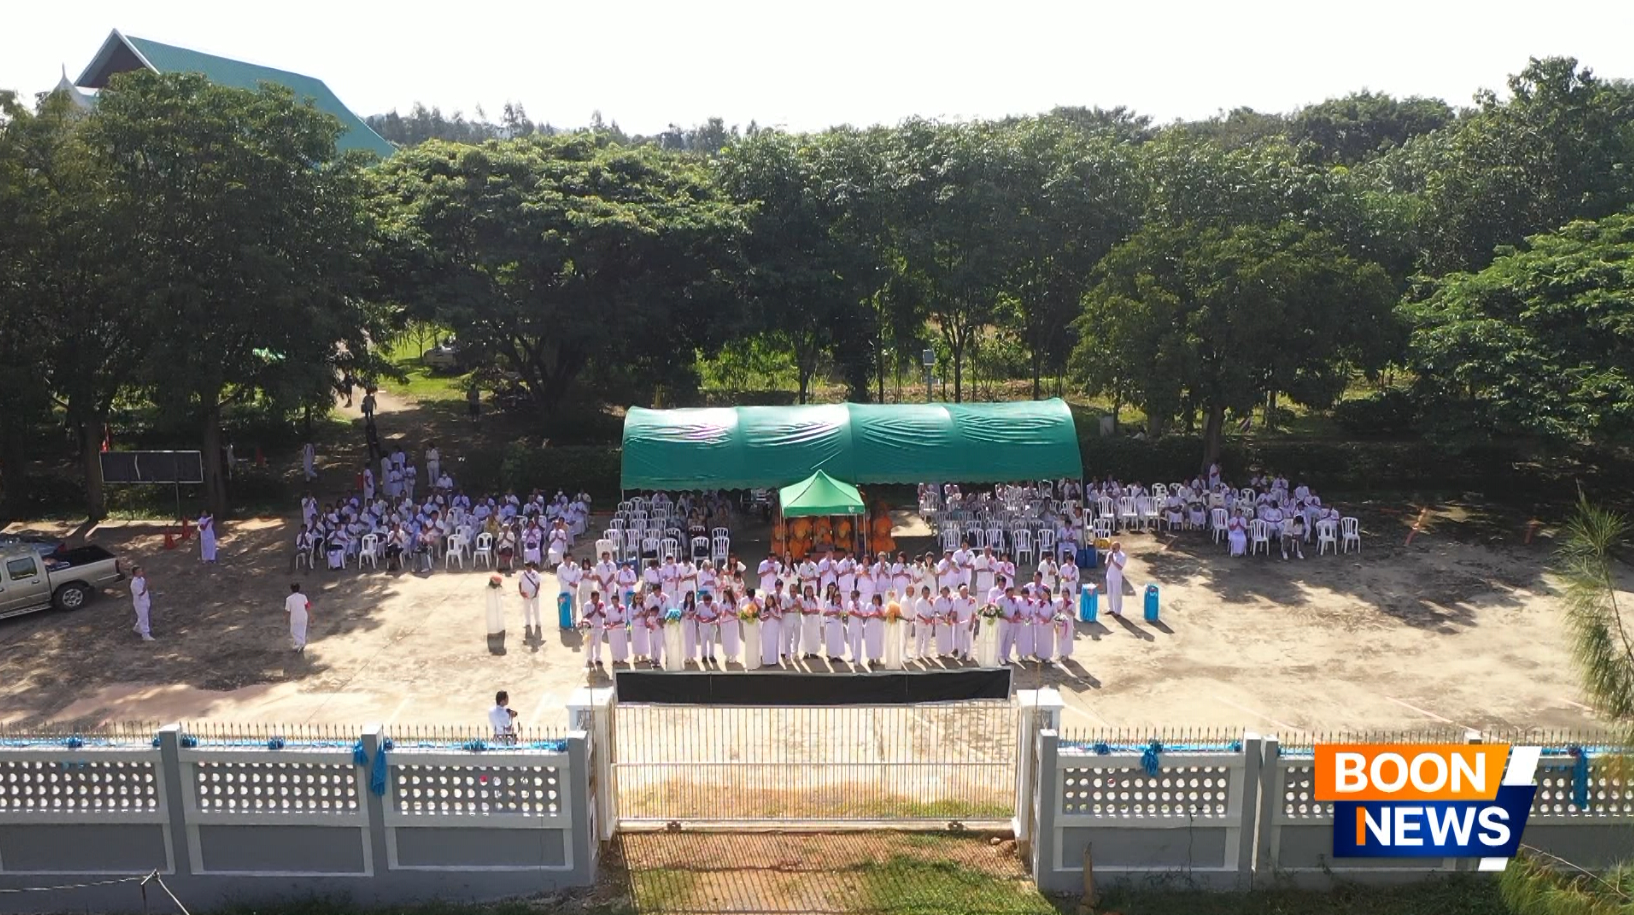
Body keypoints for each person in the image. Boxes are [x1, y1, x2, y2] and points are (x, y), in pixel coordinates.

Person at [760, 583, 783, 668]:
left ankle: (774, 660)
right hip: (766, 629)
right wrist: (766, 616)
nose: (769, 601)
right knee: (766, 644)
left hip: (774, 628)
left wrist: (773, 615)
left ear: (773, 600)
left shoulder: (777, 607)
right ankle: (767, 660)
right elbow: (762, 618)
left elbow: (780, 618)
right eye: (767, 600)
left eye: (770, 600)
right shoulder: (763, 608)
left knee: (774, 643)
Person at [129, 565, 155, 641]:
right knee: (144, 618)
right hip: (140, 603)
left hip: (145, 600)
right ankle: (145, 635)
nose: (141, 573)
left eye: (141, 571)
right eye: (139, 572)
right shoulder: (134, 583)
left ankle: (137, 628)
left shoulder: (141, 579)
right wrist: (146, 586)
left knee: (143, 616)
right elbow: (140, 593)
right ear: (135, 573)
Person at [822, 584, 846, 663]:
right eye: (836, 596)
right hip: (831, 624)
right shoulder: (828, 603)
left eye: (839, 597)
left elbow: (842, 614)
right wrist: (833, 612)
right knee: (831, 640)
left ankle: (837, 655)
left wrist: (841, 615)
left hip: (838, 624)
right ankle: (831, 656)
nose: (837, 598)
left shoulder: (840, 605)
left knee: (838, 640)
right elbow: (824, 613)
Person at [583, 592, 607, 669]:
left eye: (598, 598)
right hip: (589, 627)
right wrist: (594, 611)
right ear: (591, 598)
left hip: (599, 626)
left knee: (598, 643)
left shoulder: (601, 604)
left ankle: (598, 658)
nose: (596, 600)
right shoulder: (587, 605)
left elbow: (604, 615)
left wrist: (598, 611)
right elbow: (586, 616)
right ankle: (589, 659)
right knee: (589, 643)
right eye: (595, 598)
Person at [285, 583, 311, 653]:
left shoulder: (289, 599)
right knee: (302, 630)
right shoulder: (303, 597)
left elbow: (288, 610)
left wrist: (286, 619)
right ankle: (301, 643)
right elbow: (308, 606)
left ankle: (300, 643)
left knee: (293, 631)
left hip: (295, 617)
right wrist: (311, 616)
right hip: (303, 616)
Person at [557, 557, 582, 629]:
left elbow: (578, 575)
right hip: (564, 591)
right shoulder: (560, 568)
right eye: (567, 559)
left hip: (573, 590)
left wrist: (576, 583)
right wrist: (570, 583)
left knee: (574, 606)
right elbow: (560, 579)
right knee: (563, 607)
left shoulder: (575, 565)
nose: (569, 560)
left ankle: (574, 621)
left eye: (570, 559)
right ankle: (563, 623)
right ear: (564, 559)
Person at [1105, 541, 1128, 617]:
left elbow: (1120, 567)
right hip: (1109, 576)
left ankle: (1117, 611)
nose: (1112, 549)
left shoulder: (1122, 556)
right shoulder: (1110, 554)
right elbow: (1106, 565)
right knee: (1109, 593)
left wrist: (1113, 561)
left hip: (1117, 578)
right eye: (1112, 547)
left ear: (1118, 548)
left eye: (1114, 548)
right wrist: (1109, 560)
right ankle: (1111, 608)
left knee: (1117, 594)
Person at [518, 561, 543, 631]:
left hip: (534, 593)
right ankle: (527, 622)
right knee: (526, 609)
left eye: (529, 566)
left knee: (536, 608)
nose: (528, 568)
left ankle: (538, 621)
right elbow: (520, 583)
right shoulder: (522, 574)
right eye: (527, 566)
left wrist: (536, 592)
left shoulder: (535, 573)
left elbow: (538, 583)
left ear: (531, 566)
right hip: (526, 594)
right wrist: (520, 592)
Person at [696, 591, 719, 665]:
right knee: (703, 641)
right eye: (706, 603)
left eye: (709, 603)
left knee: (712, 641)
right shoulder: (700, 605)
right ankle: (704, 656)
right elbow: (696, 615)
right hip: (703, 626)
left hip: (712, 625)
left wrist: (711, 620)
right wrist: (702, 620)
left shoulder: (715, 604)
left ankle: (711, 655)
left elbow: (718, 615)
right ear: (703, 600)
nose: (708, 604)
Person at [800, 585, 823, 660]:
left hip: (814, 620)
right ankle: (806, 652)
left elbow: (819, 610)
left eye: (811, 591)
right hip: (806, 620)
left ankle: (813, 652)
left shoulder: (816, 599)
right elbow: (802, 611)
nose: (809, 592)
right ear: (805, 592)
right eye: (808, 591)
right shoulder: (802, 599)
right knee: (806, 636)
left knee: (814, 635)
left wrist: (812, 612)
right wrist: (810, 612)